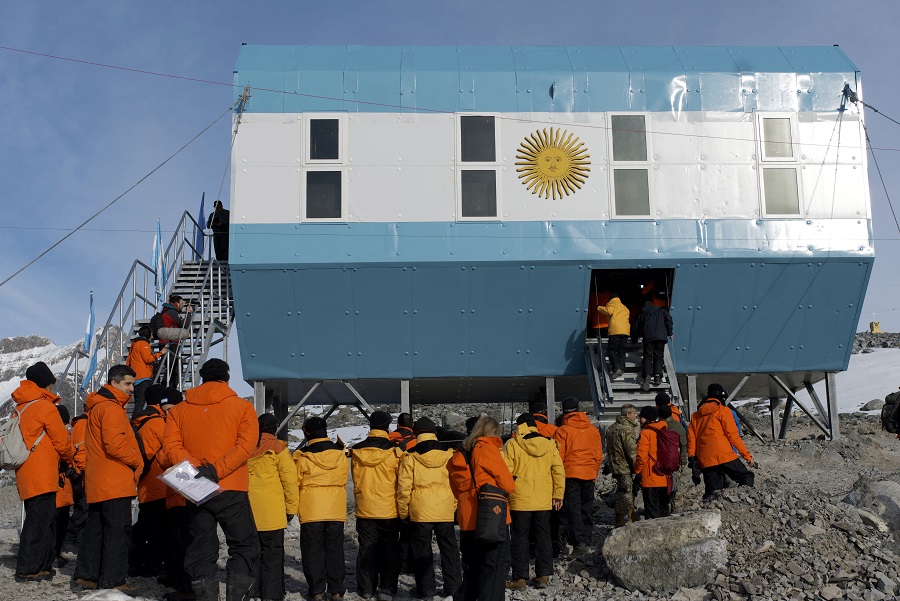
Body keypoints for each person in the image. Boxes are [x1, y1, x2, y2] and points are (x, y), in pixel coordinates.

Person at [162, 359, 260, 601]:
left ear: (202, 377)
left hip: (195, 487)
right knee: (243, 545)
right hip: (232, 486)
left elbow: (171, 446)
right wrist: (216, 470)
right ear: (226, 377)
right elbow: (245, 446)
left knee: (201, 547)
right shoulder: (243, 407)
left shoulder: (178, 410)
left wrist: (196, 469)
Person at [73, 365, 142, 593]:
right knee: (117, 531)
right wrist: (135, 460)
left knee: (96, 529)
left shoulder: (97, 407)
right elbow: (115, 445)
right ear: (114, 383)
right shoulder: (112, 409)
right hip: (115, 480)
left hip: (99, 479)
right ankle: (114, 580)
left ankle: (87, 576)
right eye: (128, 384)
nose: (131, 389)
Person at [11, 361, 75, 583]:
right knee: (40, 522)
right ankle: (29, 569)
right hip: (44, 472)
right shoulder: (45, 407)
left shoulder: (19, 408)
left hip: (25, 470)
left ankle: (41, 565)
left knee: (35, 519)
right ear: (47, 382)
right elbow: (62, 441)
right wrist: (70, 460)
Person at [448, 416, 515, 601]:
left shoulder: (458, 454)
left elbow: (456, 489)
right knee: (493, 568)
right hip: (491, 518)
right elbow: (508, 485)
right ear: (494, 432)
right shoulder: (487, 449)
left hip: (467, 519)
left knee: (472, 567)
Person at [397, 417, 460, 600]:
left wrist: (404, 512)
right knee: (449, 548)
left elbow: (404, 488)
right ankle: (453, 587)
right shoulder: (449, 454)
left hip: (420, 509)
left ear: (416, 433)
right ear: (434, 432)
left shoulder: (410, 456)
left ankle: (426, 591)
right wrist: (453, 506)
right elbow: (456, 483)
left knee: (422, 550)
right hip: (444, 508)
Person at [503, 413, 564, 591]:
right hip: (544, 499)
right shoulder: (549, 443)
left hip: (520, 499)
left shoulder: (513, 444)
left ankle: (520, 578)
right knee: (543, 536)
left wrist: (505, 496)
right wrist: (558, 495)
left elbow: (506, 472)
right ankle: (543, 575)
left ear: (519, 426)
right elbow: (558, 471)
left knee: (520, 538)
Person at [351, 411, 405, 601]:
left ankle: (366, 588)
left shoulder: (356, 451)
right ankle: (388, 588)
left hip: (365, 506)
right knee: (390, 547)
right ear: (387, 426)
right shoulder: (394, 450)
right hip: (389, 507)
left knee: (366, 548)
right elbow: (401, 479)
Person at [294, 416, 349, 601]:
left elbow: (296, 481)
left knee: (312, 551)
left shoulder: (302, 455)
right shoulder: (340, 453)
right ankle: (336, 591)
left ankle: (317, 591)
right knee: (335, 550)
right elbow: (343, 478)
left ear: (306, 432)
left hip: (311, 508)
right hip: (335, 507)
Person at [248, 414, 299, 601]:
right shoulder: (279, 449)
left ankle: (253, 590)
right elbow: (289, 481)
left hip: (249, 511)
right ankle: (272, 594)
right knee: (273, 554)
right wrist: (291, 508)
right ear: (274, 428)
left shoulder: (245, 448)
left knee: (252, 554)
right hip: (272, 512)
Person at [129, 384, 172, 578]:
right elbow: (169, 449)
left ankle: (137, 562)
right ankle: (151, 565)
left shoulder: (140, 420)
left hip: (145, 481)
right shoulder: (159, 423)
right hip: (159, 481)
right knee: (158, 529)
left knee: (145, 525)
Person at [687, 383, 757, 500]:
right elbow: (733, 436)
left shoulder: (695, 416)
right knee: (747, 477)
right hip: (724, 455)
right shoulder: (723, 411)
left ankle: (711, 512)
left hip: (706, 459)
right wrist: (747, 456)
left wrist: (692, 458)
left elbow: (691, 439)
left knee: (712, 491)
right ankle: (742, 504)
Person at [553, 397, 602, 559]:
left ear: (563, 410)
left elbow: (558, 458)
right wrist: (593, 474)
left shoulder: (562, 431)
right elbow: (598, 456)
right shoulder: (592, 430)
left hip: (570, 474)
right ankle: (586, 540)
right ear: (579, 408)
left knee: (573, 510)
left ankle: (578, 543)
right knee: (586, 508)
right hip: (588, 474)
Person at [633, 406, 671, 519]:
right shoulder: (664, 430)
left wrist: (637, 472)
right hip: (664, 478)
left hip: (650, 478)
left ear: (648, 418)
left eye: (642, 417)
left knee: (652, 514)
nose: (639, 420)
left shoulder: (646, 433)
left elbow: (641, 456)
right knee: (664, 512)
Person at [605, 404, 638, 527]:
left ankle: (621, 517)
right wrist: (638, 467)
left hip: (615, 465)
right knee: (627, 492)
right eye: (634, 413)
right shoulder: (627, 430)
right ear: (628, 414)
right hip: (625, 466)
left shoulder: (611, 428)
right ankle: (628, 517)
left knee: (621, 490)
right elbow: (632, 451)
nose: (636, 416)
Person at [125, 325, 167, 418]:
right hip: (143, 377)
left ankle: (136, 421)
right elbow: (148, 359)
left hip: (136, 377)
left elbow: (128, 361)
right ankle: (136, 422)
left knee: (139, 401)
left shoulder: (134, 344)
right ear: (148, 334)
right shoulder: (144, 344)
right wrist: (161, 353)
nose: (152, 336)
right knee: (141, 402)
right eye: (151, 334)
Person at [53, 404, 77, 568]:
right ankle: (54, 554)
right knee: (57, 523)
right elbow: (66, 456)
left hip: (58, 486)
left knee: (57, 522)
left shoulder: (51, 434)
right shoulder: (61, 436)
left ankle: (54, 553)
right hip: (60, 486)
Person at [62, 409, 88, 552]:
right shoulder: (84, 424)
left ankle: (76, 540)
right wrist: (84, 470)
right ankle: (70, 539)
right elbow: (81, 450)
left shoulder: (82, 423)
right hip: (82, 474)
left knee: (84, 508)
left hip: (81, 472)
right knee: (83, 508)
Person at [633, 300, 674, 391]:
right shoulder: (662, 311)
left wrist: (634, 338)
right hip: (660, 337)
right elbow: (669, 320)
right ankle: (657, 375)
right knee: (659, 356)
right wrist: (670, 333)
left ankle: (647, 375)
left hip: (648, 338)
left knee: (647, 356)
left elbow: (636, 326)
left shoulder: (642, 313)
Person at [657, 403, 687, 513]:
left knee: (664, 488)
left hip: (661, 464)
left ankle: (663, 510)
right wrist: (683, 461)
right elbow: (683, 445)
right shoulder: (678, 426)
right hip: (676, 463)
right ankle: (675, 509)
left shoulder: (659, 427)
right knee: (676, 487)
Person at [596, 293, 630, 379]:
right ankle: (621, 368)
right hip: (625, 331)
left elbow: (609, 311)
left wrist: (598, 307)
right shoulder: (624, 307)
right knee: (621, 350)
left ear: (611, 298)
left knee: (611, 350)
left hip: (616, 330)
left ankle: (616, 368)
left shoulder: (612, 303)